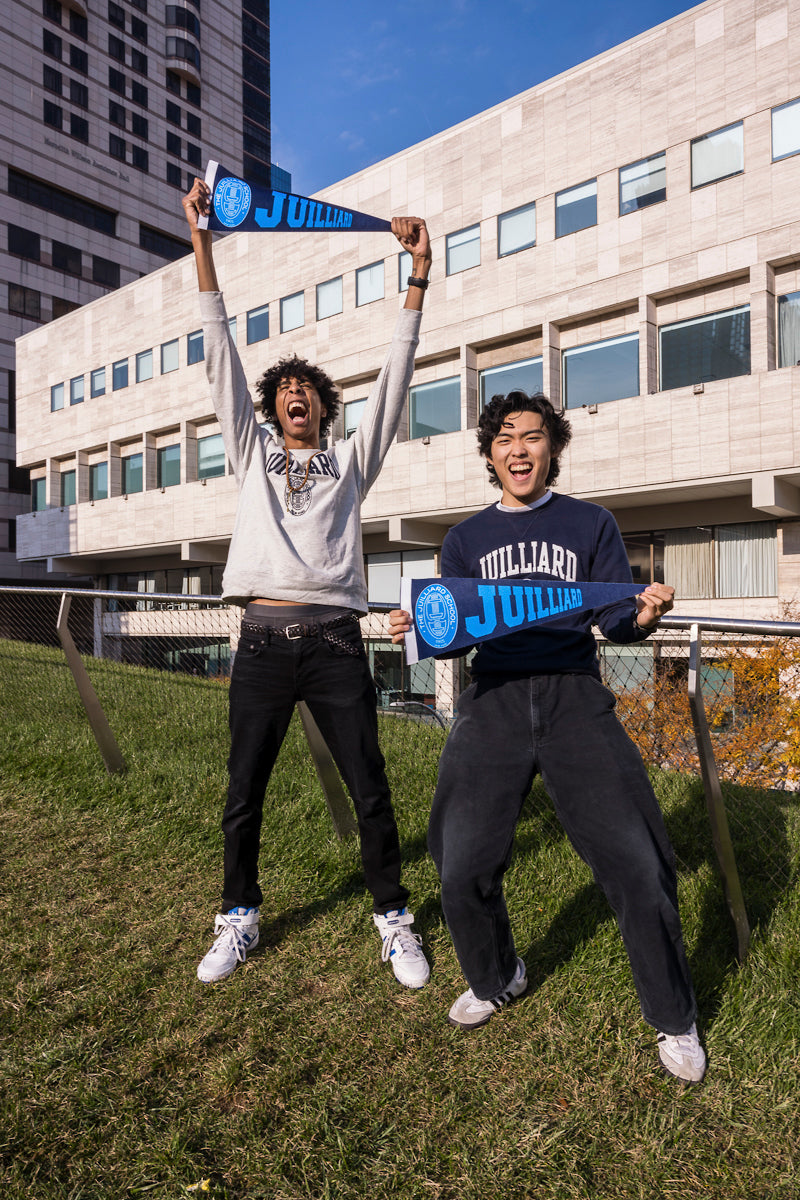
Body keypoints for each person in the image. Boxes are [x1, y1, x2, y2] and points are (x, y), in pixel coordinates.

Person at [389, 390, 706, 1083]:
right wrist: (413, 627)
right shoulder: (465, 539)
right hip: (493, 700)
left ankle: (674, 1016)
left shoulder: (592, 524)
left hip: (573, 695)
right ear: (490, 453)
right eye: (506, 439)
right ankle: (499, 975)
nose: (520, 450)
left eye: (533, 437)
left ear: (552, 448)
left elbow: (616, 620)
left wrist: (645, 615)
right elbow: (451, 639)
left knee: (637, 861)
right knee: (460, 863)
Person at [181, 177, 432, 990]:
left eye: (308, 391)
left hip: (332, 644)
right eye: (284, 390)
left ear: (325, 407)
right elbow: (220, 349)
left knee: (370, 786)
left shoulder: (352, 462)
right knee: (243, 789)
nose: (296, 395)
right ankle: (238, 915)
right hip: (259, 642)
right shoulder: (252, 452)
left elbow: (393, 388)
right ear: (270, 407)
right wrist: (203, 245)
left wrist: (416, 281)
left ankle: (394, 919)